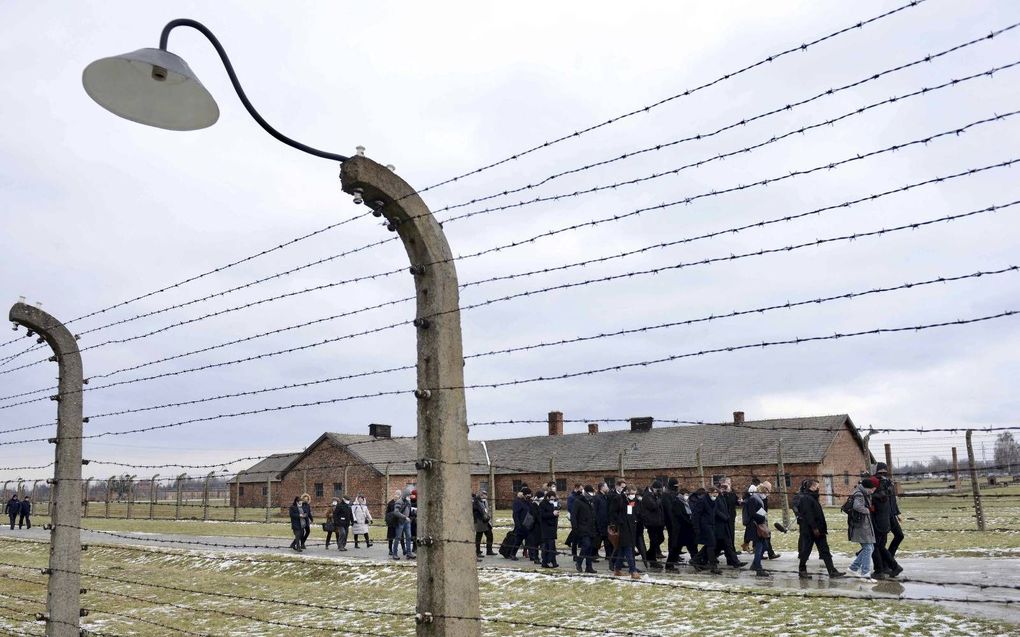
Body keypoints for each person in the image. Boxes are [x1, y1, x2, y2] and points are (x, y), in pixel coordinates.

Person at [796, 479, 844, 579]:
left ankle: (832, 571)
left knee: (825, 550)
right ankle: (802, 569)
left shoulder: (813, 497)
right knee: (806, 550)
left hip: (819, 529)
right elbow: (808, 514)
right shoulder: (806, 498)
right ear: (811, 487)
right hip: (810, 530)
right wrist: (814, 528)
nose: (818, 488)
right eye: (816, 486)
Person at [872, 464, 903, 577]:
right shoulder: (875, 482)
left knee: (899, 535)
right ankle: (884, 566)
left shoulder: (888, 482)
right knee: (881, 543)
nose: (883, 473)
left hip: (891, 515)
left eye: (884, 471)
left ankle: (887, 561)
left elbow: (892, 499)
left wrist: (897, 513)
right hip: (882, 516)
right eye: (880, 471)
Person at [847, 477, 880, 579]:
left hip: (864, 525)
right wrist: (868, 510)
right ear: (869, 488)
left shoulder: (863, 492)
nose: (874, 491)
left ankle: (853, 568)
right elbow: (857, 506)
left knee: (870, 548)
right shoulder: (860, 494)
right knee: (868, 548)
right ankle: (865, 574)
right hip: (860, 525)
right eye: (873, 489)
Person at [609, 486, 641, 579]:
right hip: (622, 527)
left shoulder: (633, 500)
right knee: (628, 548)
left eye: (634, 494)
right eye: (631, 493)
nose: (633, 496)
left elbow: (635, 512)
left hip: (632, 527)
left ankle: (617, 569)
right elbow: (612, 512)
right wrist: (620, 521)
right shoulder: (618, 499)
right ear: (626, 492)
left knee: (622, 550)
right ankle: (633, 570)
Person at [747, 482, 772, 576]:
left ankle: (755, 564)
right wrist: (762, 517)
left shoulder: (756, 498)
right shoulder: (754, 499)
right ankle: (758, 568)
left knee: (764, 546)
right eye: (766, 492)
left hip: (759, 524)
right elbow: (752, 513)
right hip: (756, 526)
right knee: (759, 547)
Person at [572, 485, 598, 573]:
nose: (592, 494)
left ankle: (589, 566)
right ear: (585, 493)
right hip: (582, 528)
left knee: (590, 547)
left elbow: (594, 514)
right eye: (590, 493)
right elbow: (574, 516)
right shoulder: (578, 501)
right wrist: (575, 528)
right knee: (586, 545)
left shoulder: (591, 501)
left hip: (591, 528)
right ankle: (579, 562)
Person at [639, 481, 665, 567]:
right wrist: (659, 498)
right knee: (653, 541)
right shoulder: (647, 496)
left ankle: (648, 554)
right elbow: (653, 506)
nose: (659, 491)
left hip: (658, 522)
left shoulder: (656, 496)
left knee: (661, 538)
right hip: (651, 523)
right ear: (653, 488)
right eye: (658, 490)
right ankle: (652, 560)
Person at [389, 489, 414, 560]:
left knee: (409, 537)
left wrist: (413, 513)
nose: (409, 496)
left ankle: (409, 553)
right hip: (400, 522)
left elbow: (409, 510)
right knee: (398, 538)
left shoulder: (408, 501)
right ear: (405, 495)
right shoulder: (399, 502)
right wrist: (405, 517)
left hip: (407, 522)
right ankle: (394, 554)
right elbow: (396, 512)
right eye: (408, 495)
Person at [508, 487, 531, 561]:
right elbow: (515, 514)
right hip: (521, 524)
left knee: (529, 540)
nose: (529, 496)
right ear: (523, 495)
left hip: (527, 524)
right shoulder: (518, 502)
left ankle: (530, 554)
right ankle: (512, 554)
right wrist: (518, 525)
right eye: (528, 495)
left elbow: (530, 508)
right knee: (518, 540)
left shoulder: (527, 501)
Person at [538, 490, 560, 568]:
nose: (552, 500)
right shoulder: (542, 504)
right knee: (547, 546)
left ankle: (553, 561)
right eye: (551, 498)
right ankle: (545, 562)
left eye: (553, 499)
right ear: (547, 497)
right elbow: (542, 515)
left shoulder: (552, 504)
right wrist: (552, 514)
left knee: (552, 546)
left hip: (552, 527)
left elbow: (553, 512)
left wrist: (556, 514)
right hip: (546, 528)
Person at [718, 478, 739, 556]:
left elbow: (735, 501)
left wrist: (739, 501)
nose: (729, 485)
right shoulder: (721, 492)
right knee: (726, 535)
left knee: (731, 534)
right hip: (723, 517)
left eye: (730, 483)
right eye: (727, 483)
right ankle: (727, 551)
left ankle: (732, 550)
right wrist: (726, 492)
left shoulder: (731, 492)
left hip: (731, 516)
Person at [473, 491, 495, 557]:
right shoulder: (476, 502)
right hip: (480, 521)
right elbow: (481, 511)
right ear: (481, 495)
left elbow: (484, 510)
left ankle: (489, 550)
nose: (485, 496)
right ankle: (477, 551)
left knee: (489, 535)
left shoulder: (481, 501)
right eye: (484, 495)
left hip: (484, 521)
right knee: (479, 536)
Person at [593, 483, 610, 561]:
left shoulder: (605, 496)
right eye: (606, 486)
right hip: (599, 522)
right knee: (598, 540)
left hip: (605, 522)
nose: (607, 488)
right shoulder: (597, 497)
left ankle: (608, 555)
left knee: (607, 540)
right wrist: (596, 522)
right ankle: (593, 554)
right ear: (602, 488)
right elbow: (595, 511)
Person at [526, 490, 544, 564]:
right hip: (535, 527)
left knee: (541, 542)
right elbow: (536, 516)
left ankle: (542, 557)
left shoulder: (539, 504)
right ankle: (535, 557)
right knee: (535, 543)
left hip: (539, 527)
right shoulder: (534, 505)